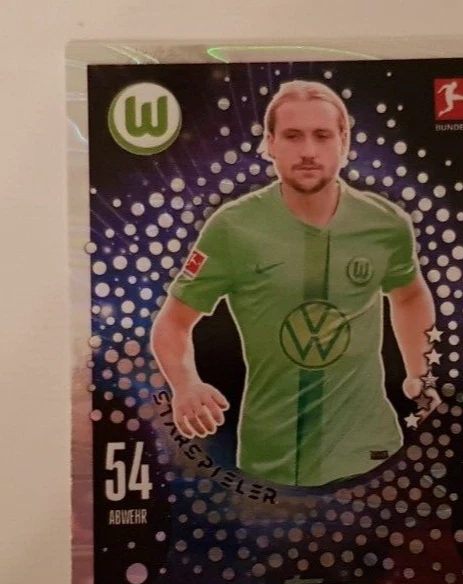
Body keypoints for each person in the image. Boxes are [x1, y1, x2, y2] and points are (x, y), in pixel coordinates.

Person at [151, 80, 439, 487]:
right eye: (292, 136)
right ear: (270, 143)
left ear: (344, 141)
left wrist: (419, 372)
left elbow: (409, 295)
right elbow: (173, 322)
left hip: (372, 453)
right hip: (271, 460)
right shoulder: (233, 227)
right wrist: (185, 384)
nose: (308, 151)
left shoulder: (386, 223)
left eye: (322, 136)